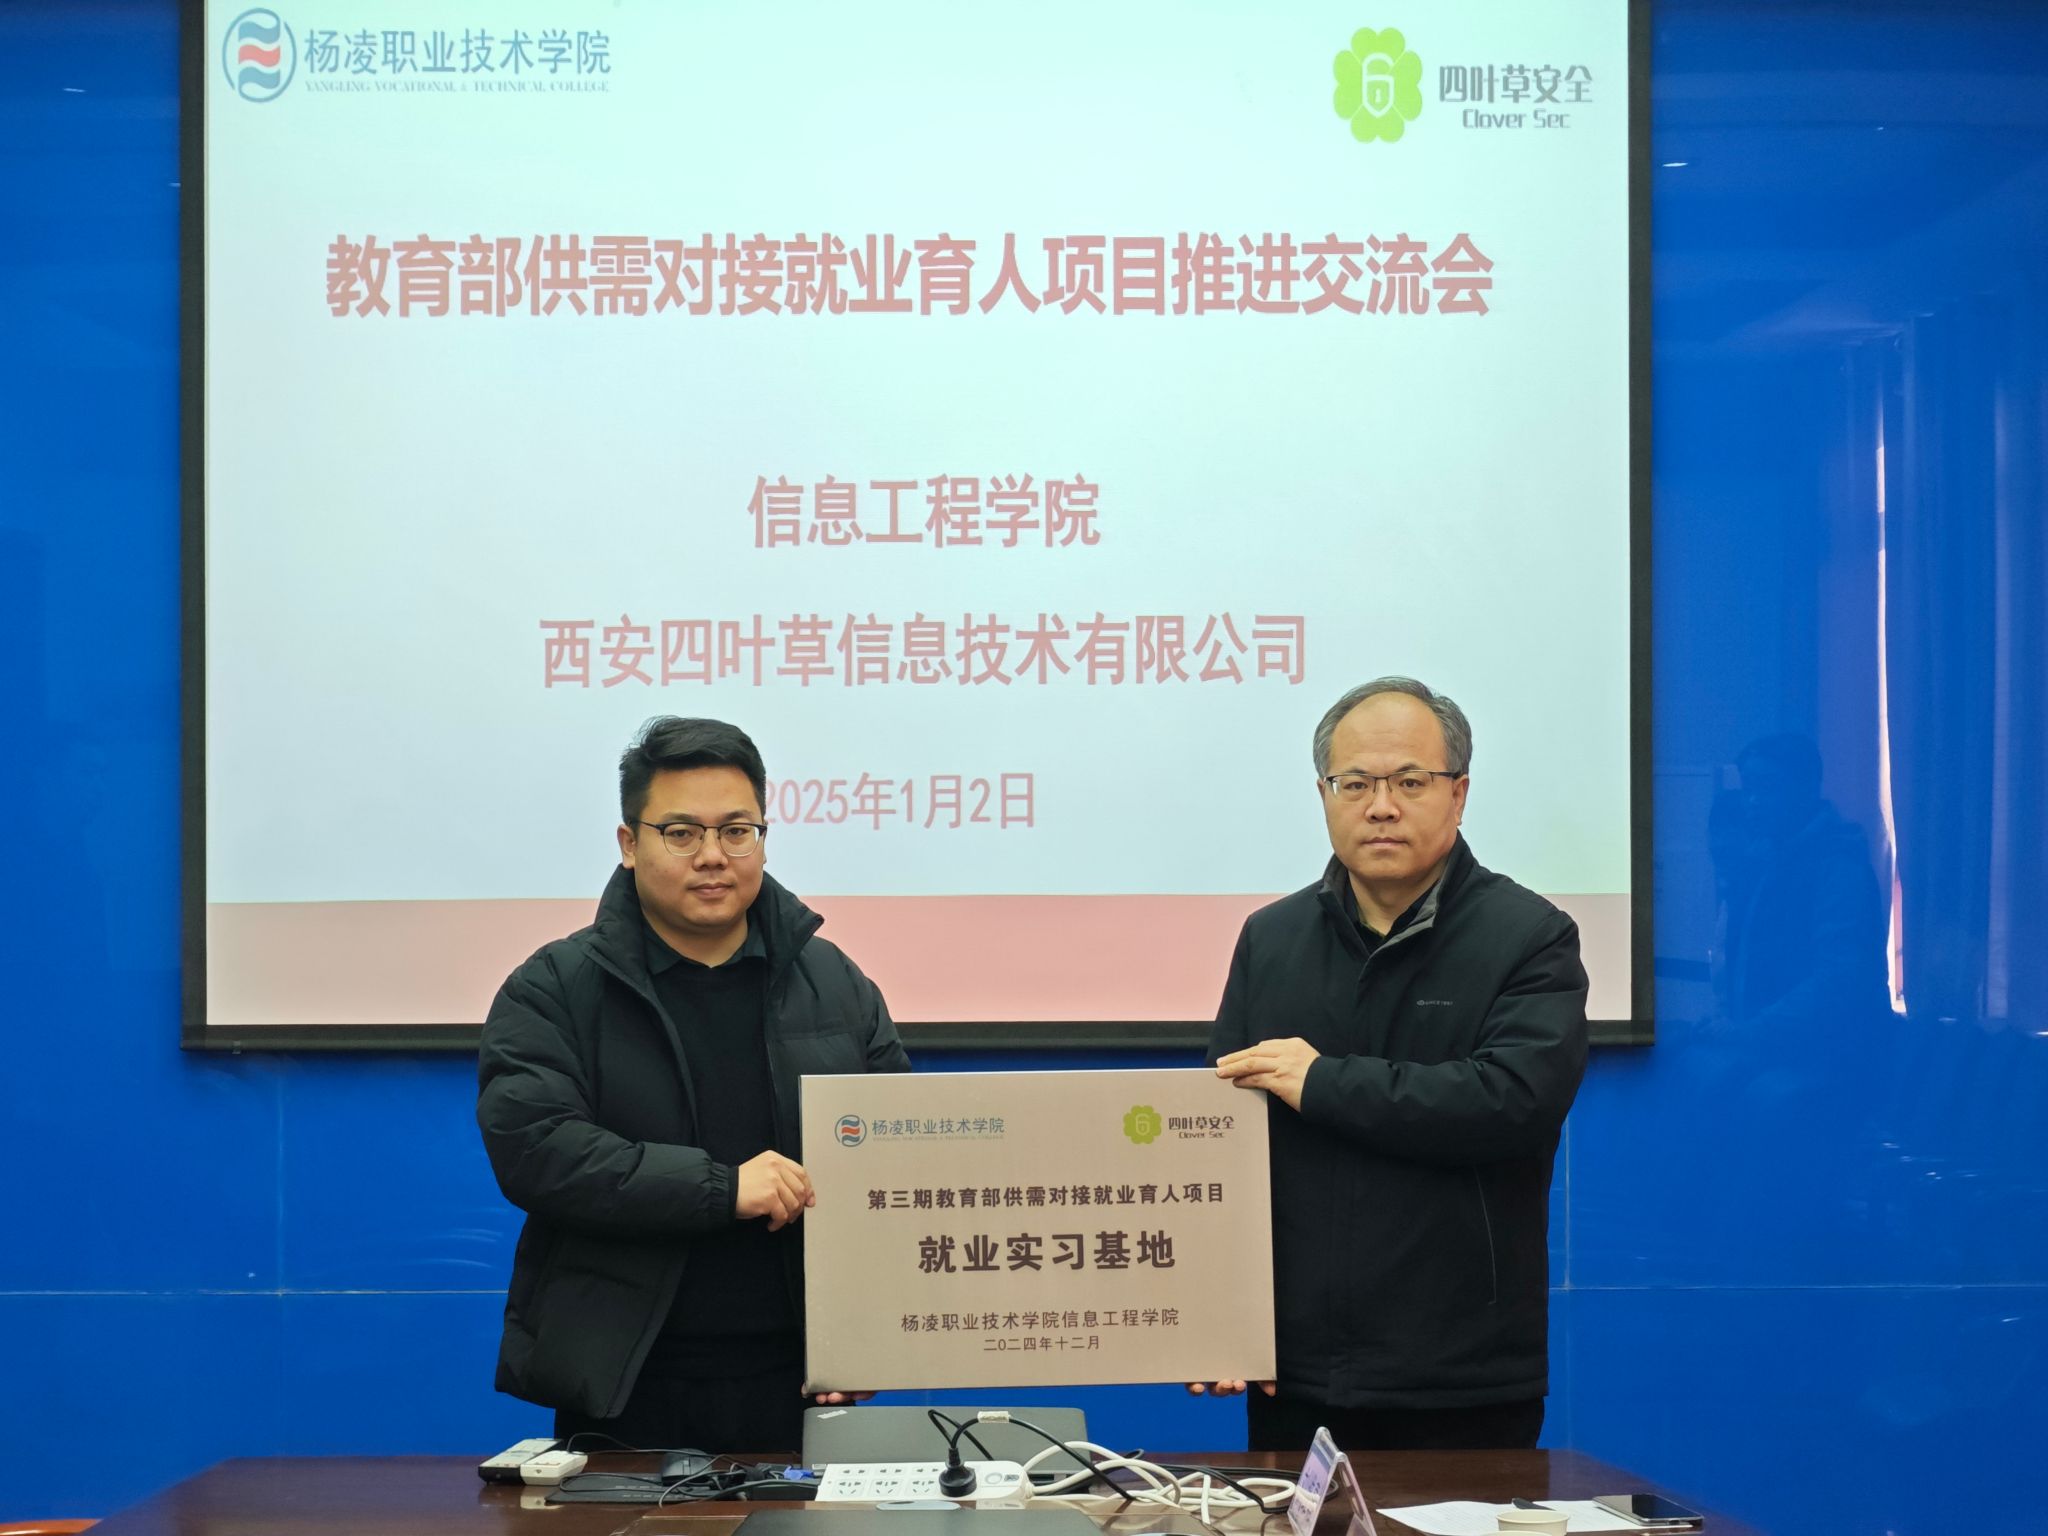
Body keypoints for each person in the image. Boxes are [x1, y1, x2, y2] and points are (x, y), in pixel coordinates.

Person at [478, 716, 910, 1452]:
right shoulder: (555, 987)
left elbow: (895, 1163)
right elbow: (538, 1150)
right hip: (627, 1387)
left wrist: (867, 1334)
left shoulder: (834, 984)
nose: (713, 856)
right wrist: (722, 1188)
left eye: (737, 831)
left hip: (800, 1383)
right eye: (681, 833)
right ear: (629, 843)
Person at [1195, 677, 1588, 1451]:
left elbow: (1513, 1101)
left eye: (1410, 782)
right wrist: (1220, 1317)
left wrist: (1322, 1082)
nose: (1381, 806)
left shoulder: (1529, 936)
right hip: (1296, 1370)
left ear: (1459, 793)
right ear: (1324, 795)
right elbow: (1219, 1144)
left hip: (1461, 1370)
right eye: (1355, 784)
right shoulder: (1271, 939)